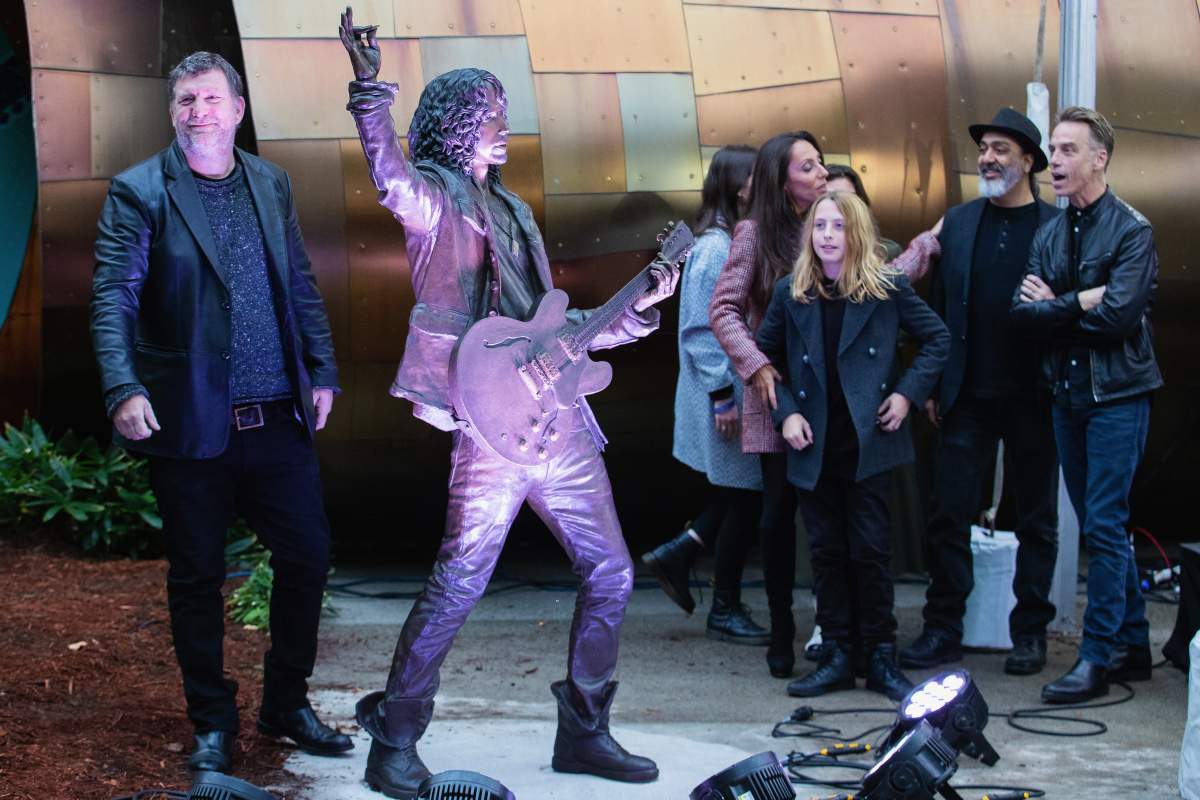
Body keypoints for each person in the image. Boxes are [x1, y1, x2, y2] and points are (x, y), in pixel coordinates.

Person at [338, 9, 678, 796]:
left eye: (503, 118)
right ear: (459, 129)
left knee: (613, 573)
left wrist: (645, 298)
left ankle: (585, 732)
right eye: (491, 118)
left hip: (561, 427)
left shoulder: (518, 213)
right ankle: (394, 739)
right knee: (459, 580)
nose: (503, 130)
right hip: (489, 430)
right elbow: (390, 175)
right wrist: (366, 92)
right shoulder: (436, 203)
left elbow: (562, 334)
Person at [90, 52, 350, 774]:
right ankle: (212, 722)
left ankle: (285, 703)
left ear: (238, 109)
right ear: (173, 111)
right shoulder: (140, 191)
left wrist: (322, 369)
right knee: (197, 576)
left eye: (209, 98)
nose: (197, 110)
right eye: (184, 100)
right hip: (189, 421)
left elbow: (299, 283)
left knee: (308, 556)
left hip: (276, 419)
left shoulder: (270, 182)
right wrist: (123, 387)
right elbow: (112, 297)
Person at [710, 135, 939, 679]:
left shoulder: (833, 222)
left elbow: (884, 286)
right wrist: (759, 371)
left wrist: (905, 390)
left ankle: (859, 644)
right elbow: (724, 312)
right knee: (786, 521)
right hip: (783, 397)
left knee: (857, 536)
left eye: (818, 164)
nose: (820, 173)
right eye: (807, 166)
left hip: (844, 407)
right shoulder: (758, 237)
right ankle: (789, 636)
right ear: (781, 178)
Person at [756, 192, 949, 701]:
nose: (826, 236)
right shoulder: (790, 293)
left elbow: (938, 340)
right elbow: (764, 358)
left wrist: (908, 395)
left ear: (857, 232)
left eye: (837, 226)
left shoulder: (887, 289)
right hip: (814, 444)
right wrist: (786, 413)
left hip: (870, 443)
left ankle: (880, 655)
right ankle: (838, 653)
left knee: (870, 551)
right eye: (819, 226)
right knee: (826, 553)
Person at [899, 108, 1061, 677]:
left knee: (1036, 517)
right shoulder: (960, 222)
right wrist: (933, 383)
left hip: (1035, 395)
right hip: (966, 392)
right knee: (949, 513)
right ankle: (943, 629)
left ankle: (1030, 633)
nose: (988, 158)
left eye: (1000, 149)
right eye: (984, 149)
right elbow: (938, 309)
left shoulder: (1057, 227)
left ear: (1029, 162)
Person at [1011, 106, 1162, 703]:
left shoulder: (1131, 230)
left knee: (1101, 524)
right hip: (1067, 395)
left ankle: (1098, 656)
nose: (1055, 162)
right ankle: (1134, 644)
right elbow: (1023, 317)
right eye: (1054, 149)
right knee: (1103, 524)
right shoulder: (1049, 231)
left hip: (1117, 395)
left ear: (1100, 158)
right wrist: (1082, 301)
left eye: (1069, 150)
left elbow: (1120, 320)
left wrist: (1060, 305)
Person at [642, 145, 767, 645]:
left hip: (730, 394)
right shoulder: (715, 248)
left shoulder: (726, 241)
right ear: (740, 187)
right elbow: (700, 329)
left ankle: (681, 554)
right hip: (726, 397)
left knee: (740, 495)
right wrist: (722, 394)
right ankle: (724, 606)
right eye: (760, 177)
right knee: (744, 497)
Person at [823, 164, 902, 261]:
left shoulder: (887, 252)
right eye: (831, 197)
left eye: (849, 198)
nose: (841, 204)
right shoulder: (805, 253)